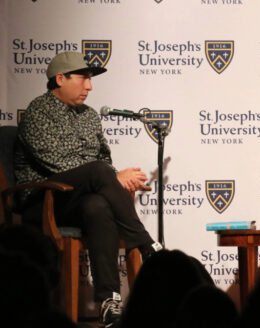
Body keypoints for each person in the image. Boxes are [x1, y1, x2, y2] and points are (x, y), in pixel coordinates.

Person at [14, 51, 162, 327]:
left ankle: (109, 300)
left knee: (98, 206)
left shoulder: (90, 116)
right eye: (83, 79)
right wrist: (111, 176)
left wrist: (109, 175)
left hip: (80, 200)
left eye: (90, 80)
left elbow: (103, 159)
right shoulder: (38, 112)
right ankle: (146, 244)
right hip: (44, 201)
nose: (89, 87)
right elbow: (58, 162)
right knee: (99, 172)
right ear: (60, 78)